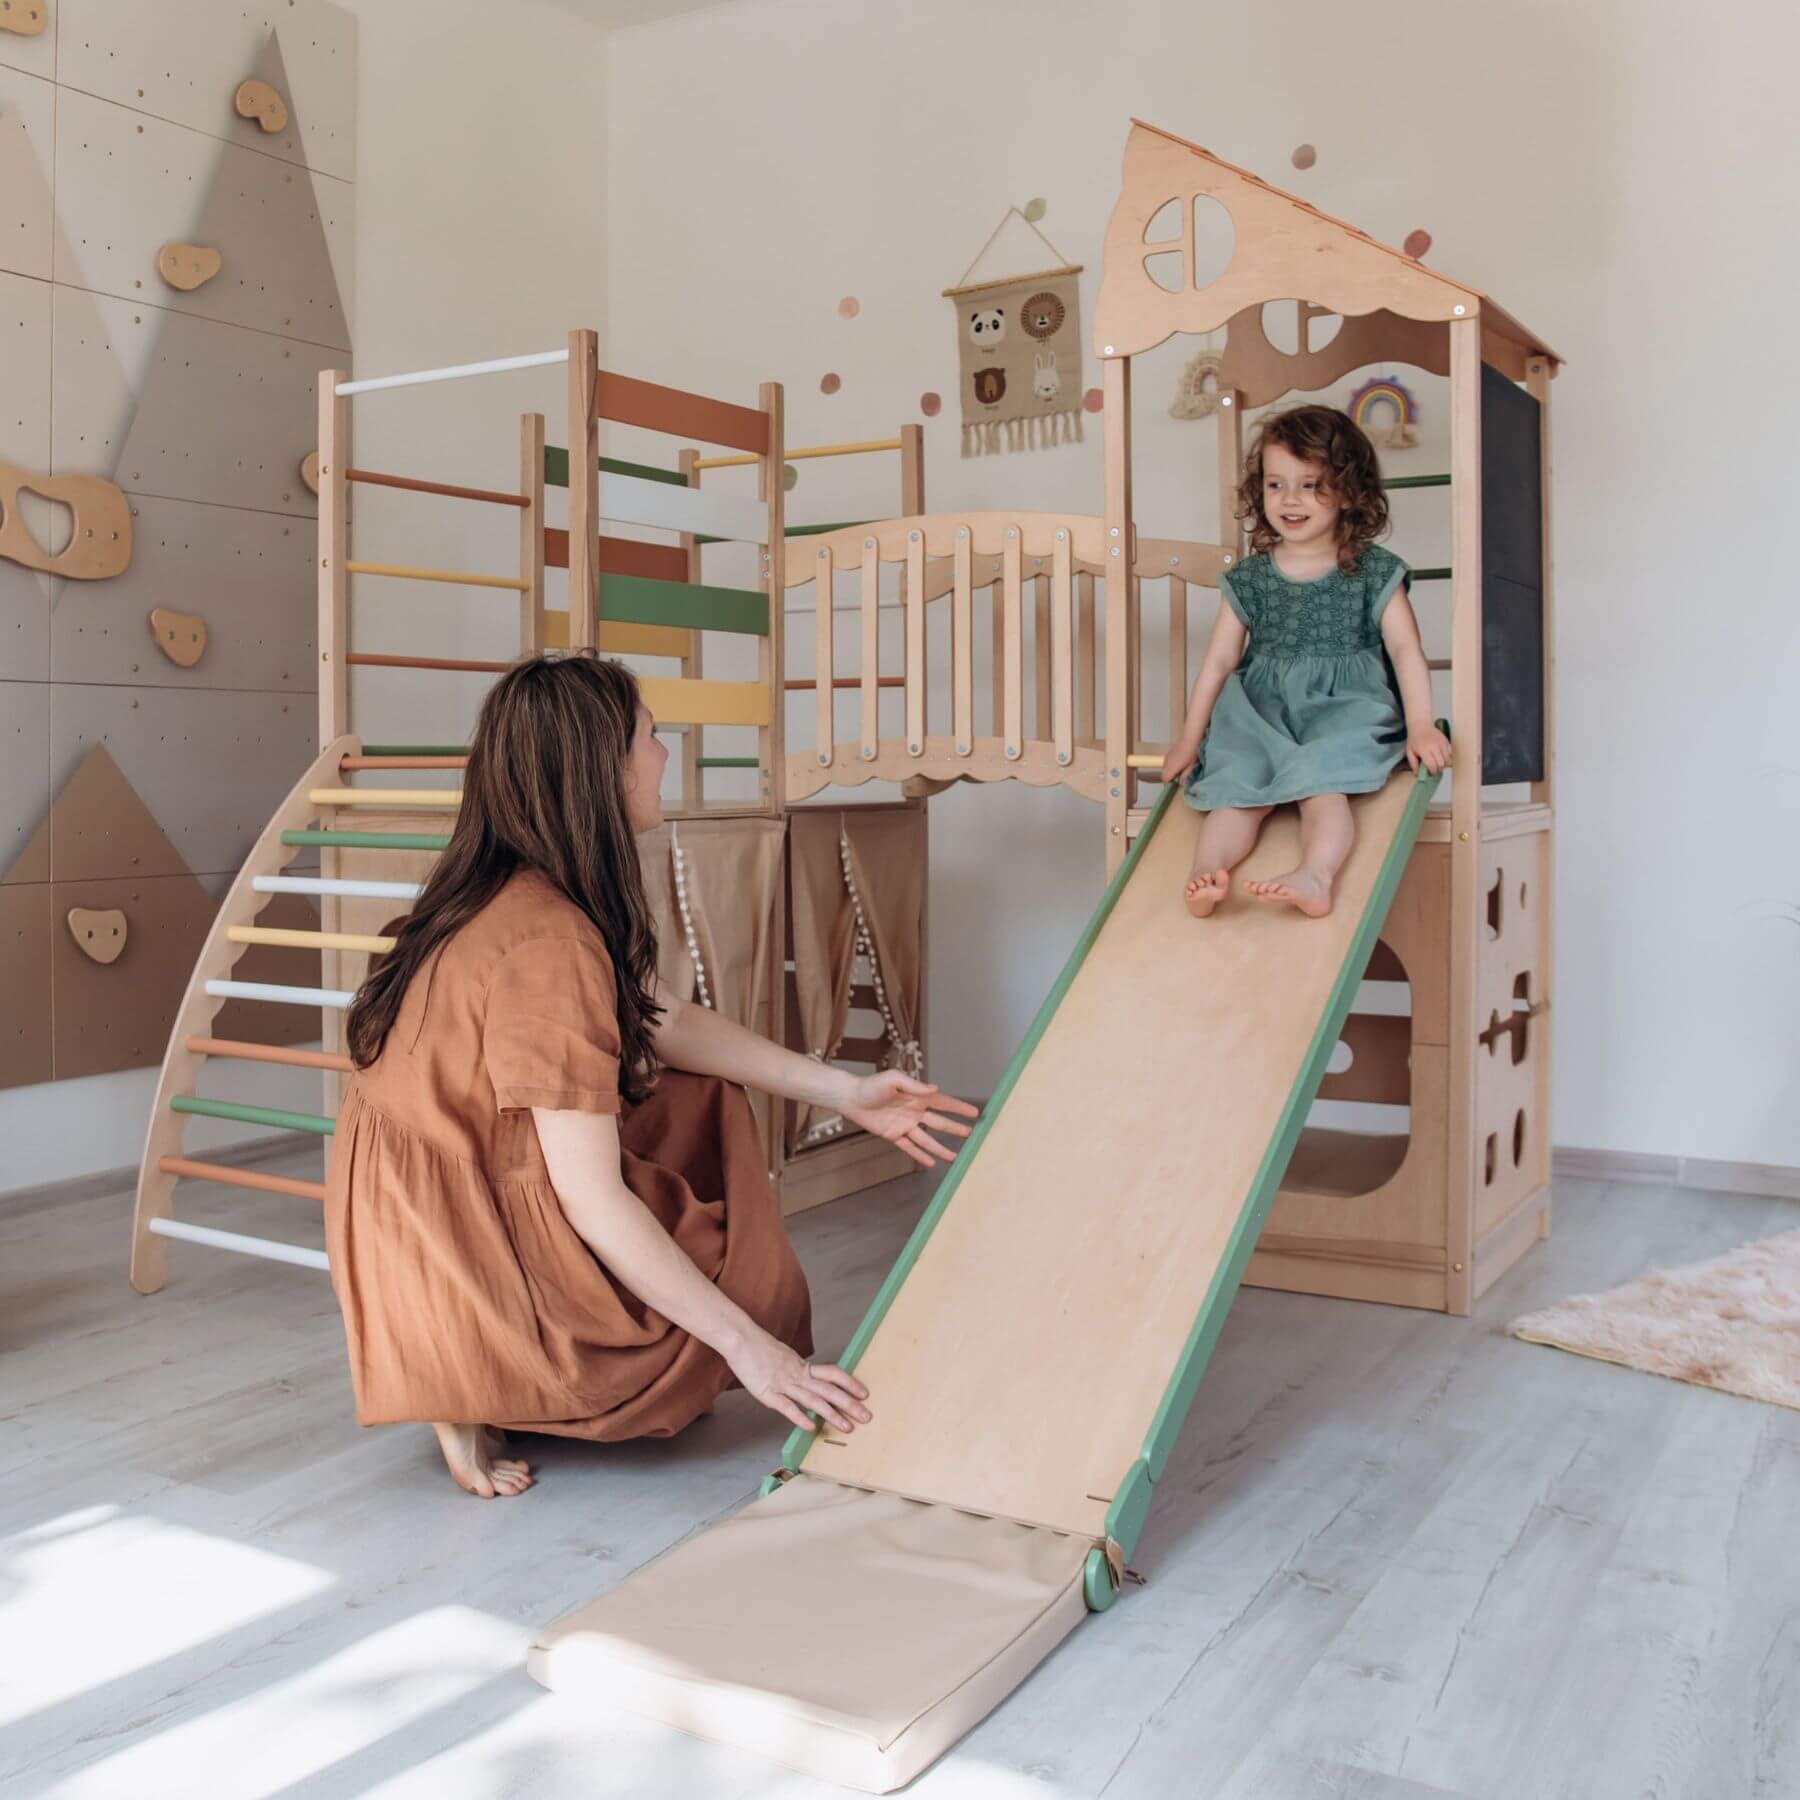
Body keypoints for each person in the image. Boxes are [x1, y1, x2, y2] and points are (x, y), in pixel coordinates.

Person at [325, 653, 977, 1498]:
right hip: (449, 1240)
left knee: (700, 1097)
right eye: (652, 738)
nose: (665, 755)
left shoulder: (516, 890)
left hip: (424, 1201)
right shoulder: (545, 940)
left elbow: (660, 1017)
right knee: (697, 1314)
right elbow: (590, 1199)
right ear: (603, 770)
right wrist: (749, 1344)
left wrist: (847, 1091)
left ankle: (476, 1367)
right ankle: (469, 1372)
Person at [1161, 404, 1452, 919]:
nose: (1289, 500)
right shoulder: (1251, 578)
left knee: (1322, 783)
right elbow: (1220, 660)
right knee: (1235, 789)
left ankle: (1315, 875)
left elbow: (1406, 650)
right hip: (1261, 711)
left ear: (1346, 491)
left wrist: (1421, 725)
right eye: (1275, 485)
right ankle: (1203, 874)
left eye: (1310, 484)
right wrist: (1189, 738)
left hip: (1344, 708)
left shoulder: (1371, 571)